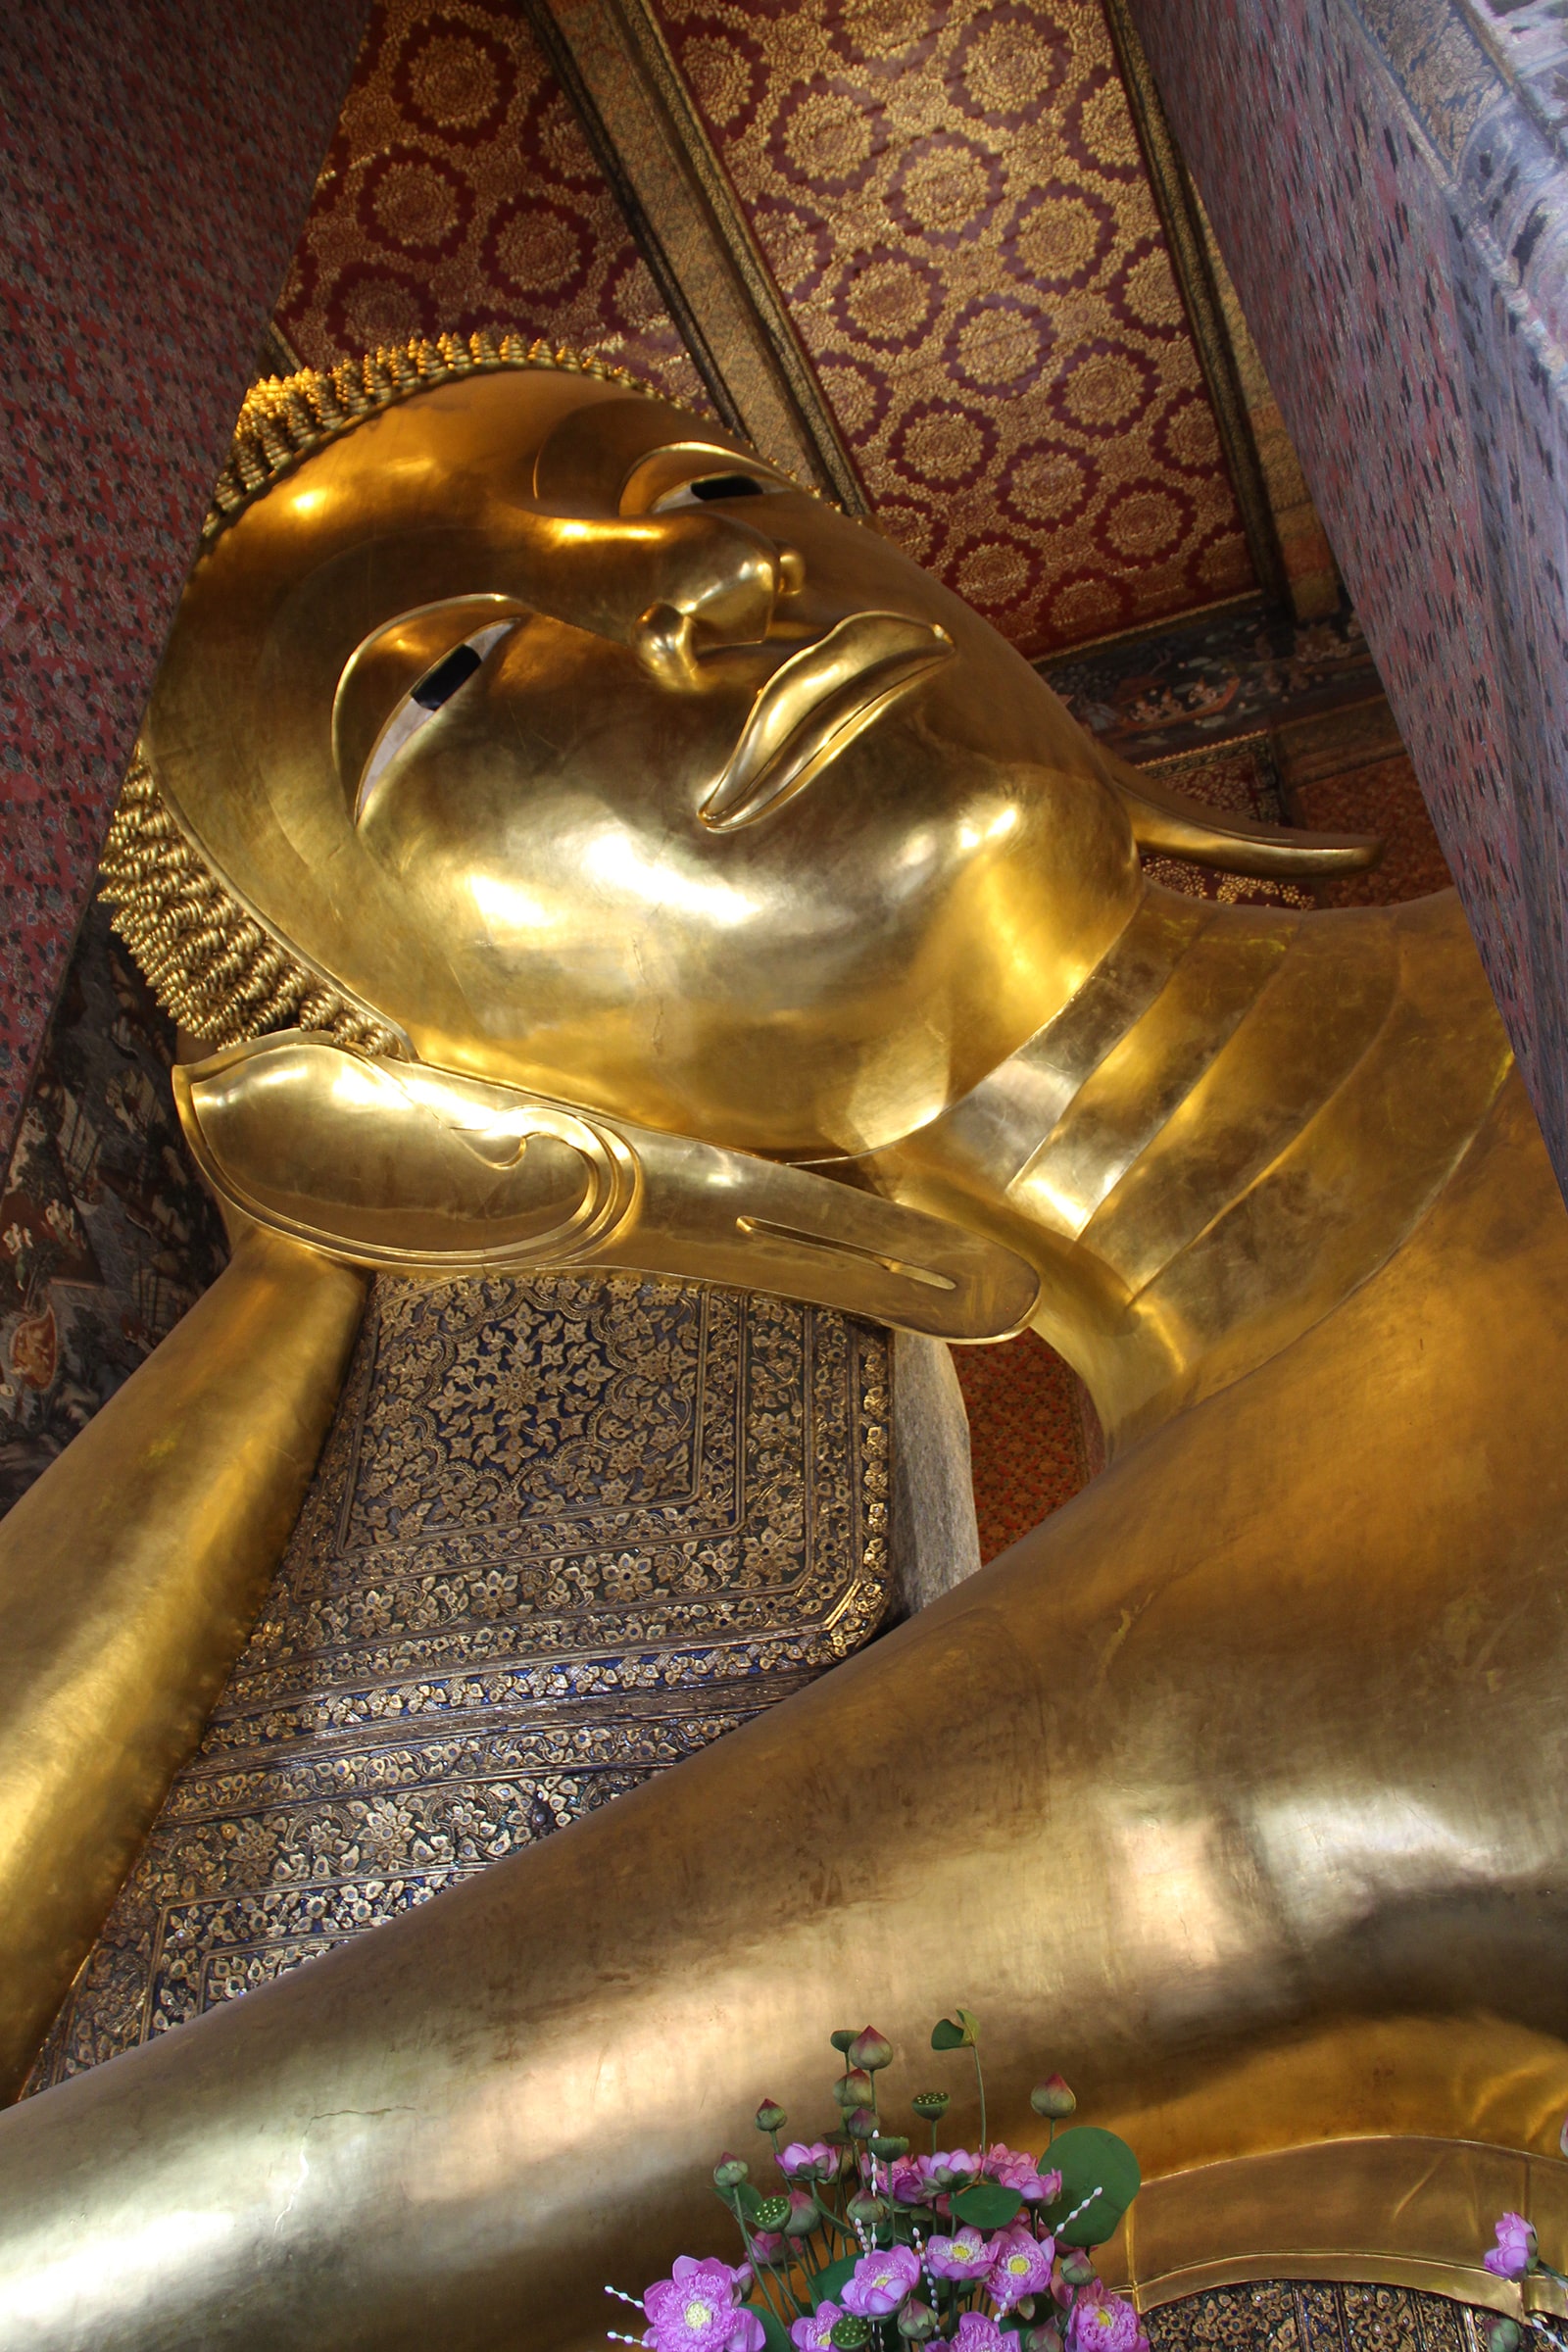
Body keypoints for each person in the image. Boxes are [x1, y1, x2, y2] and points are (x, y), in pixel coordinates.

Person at [0, 339, 1563, 2352]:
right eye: (457, 683)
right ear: (409, 1101)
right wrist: (293, 1276)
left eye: (707, 491)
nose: (706, 584)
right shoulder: (1186, 1725)